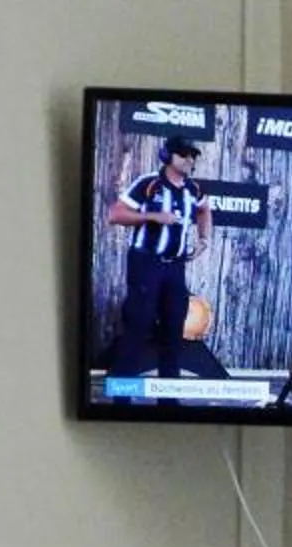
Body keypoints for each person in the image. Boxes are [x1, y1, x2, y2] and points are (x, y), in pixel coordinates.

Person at [107, 137, 212, 383]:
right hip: (146, 264)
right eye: (184, 154)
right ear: (167, 156)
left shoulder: (193, 189)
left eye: (193, 155)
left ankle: (168, 398)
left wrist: (204, 239)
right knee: (138, 327)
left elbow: (205, 209)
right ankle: (124, 397)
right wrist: (152, 216)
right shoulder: (149, 184)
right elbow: (115, 214)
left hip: (175, 268)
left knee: (174, 331)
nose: (190, 160)